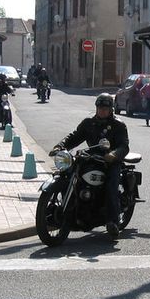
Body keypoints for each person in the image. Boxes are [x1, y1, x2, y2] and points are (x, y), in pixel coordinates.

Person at [51, 92, 130, 238]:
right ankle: (72, 211)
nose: (102, 110)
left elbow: (124, 146)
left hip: (110, 161)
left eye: (105, 108)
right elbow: (74, 137)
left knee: (111, 185)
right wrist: (60, 146)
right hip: (91, 158)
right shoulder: (89, 123)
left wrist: (113, 154)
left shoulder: (118, 125)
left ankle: (112, 221)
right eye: (100, 107)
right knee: (69, 175)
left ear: (111, 109)